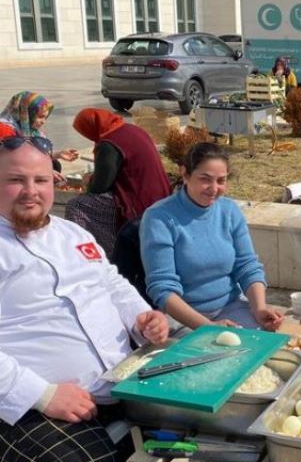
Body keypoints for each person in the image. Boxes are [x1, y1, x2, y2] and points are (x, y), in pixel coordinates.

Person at [0, 137, 170, 462]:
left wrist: (141, 318)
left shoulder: (72, 234)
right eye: (16, 180)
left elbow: (111, 284)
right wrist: (43, 394)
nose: (31, 192)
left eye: (41, 180)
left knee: (177, 438)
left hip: (115, 383)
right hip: (22, 401)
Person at [140, 142, 284, 333]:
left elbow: (247, 265)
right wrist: (207, 327)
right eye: (205, 179)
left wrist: (259, 308)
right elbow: (163, 288)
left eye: (221, 181)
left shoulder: (229, 210)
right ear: (185, 174)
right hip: (184, 319)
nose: (214, 188)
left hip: (231, 307)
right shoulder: (159, 217)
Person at [66, 107, 172, 256]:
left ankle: (97, 253)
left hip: (138, 201)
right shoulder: (130, 129)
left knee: (76, 205)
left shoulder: (109, 144)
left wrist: (88, 181)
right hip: (160, 193)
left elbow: (100, 186)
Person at [0, 90, 79, 172]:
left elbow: (34, 154)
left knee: (55, 164)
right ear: (26, 113)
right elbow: (14, 162)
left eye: (45, 117)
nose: (43, 122)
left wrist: (59, 154)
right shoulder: (4, 130)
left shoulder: (31, 130)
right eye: (40, 117)